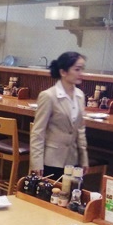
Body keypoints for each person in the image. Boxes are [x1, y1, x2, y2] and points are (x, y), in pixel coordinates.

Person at [30, 51, 89, 179]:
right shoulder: (48, 96)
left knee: (71, 191)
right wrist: (36, 163)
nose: (81, 73)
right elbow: (38, 132)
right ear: (63, 72)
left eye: (82, 69)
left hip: (72, 160)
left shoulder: (80, 95)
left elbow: (80, 129)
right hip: (51, 160)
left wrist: (84, 158)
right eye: (77, 69)